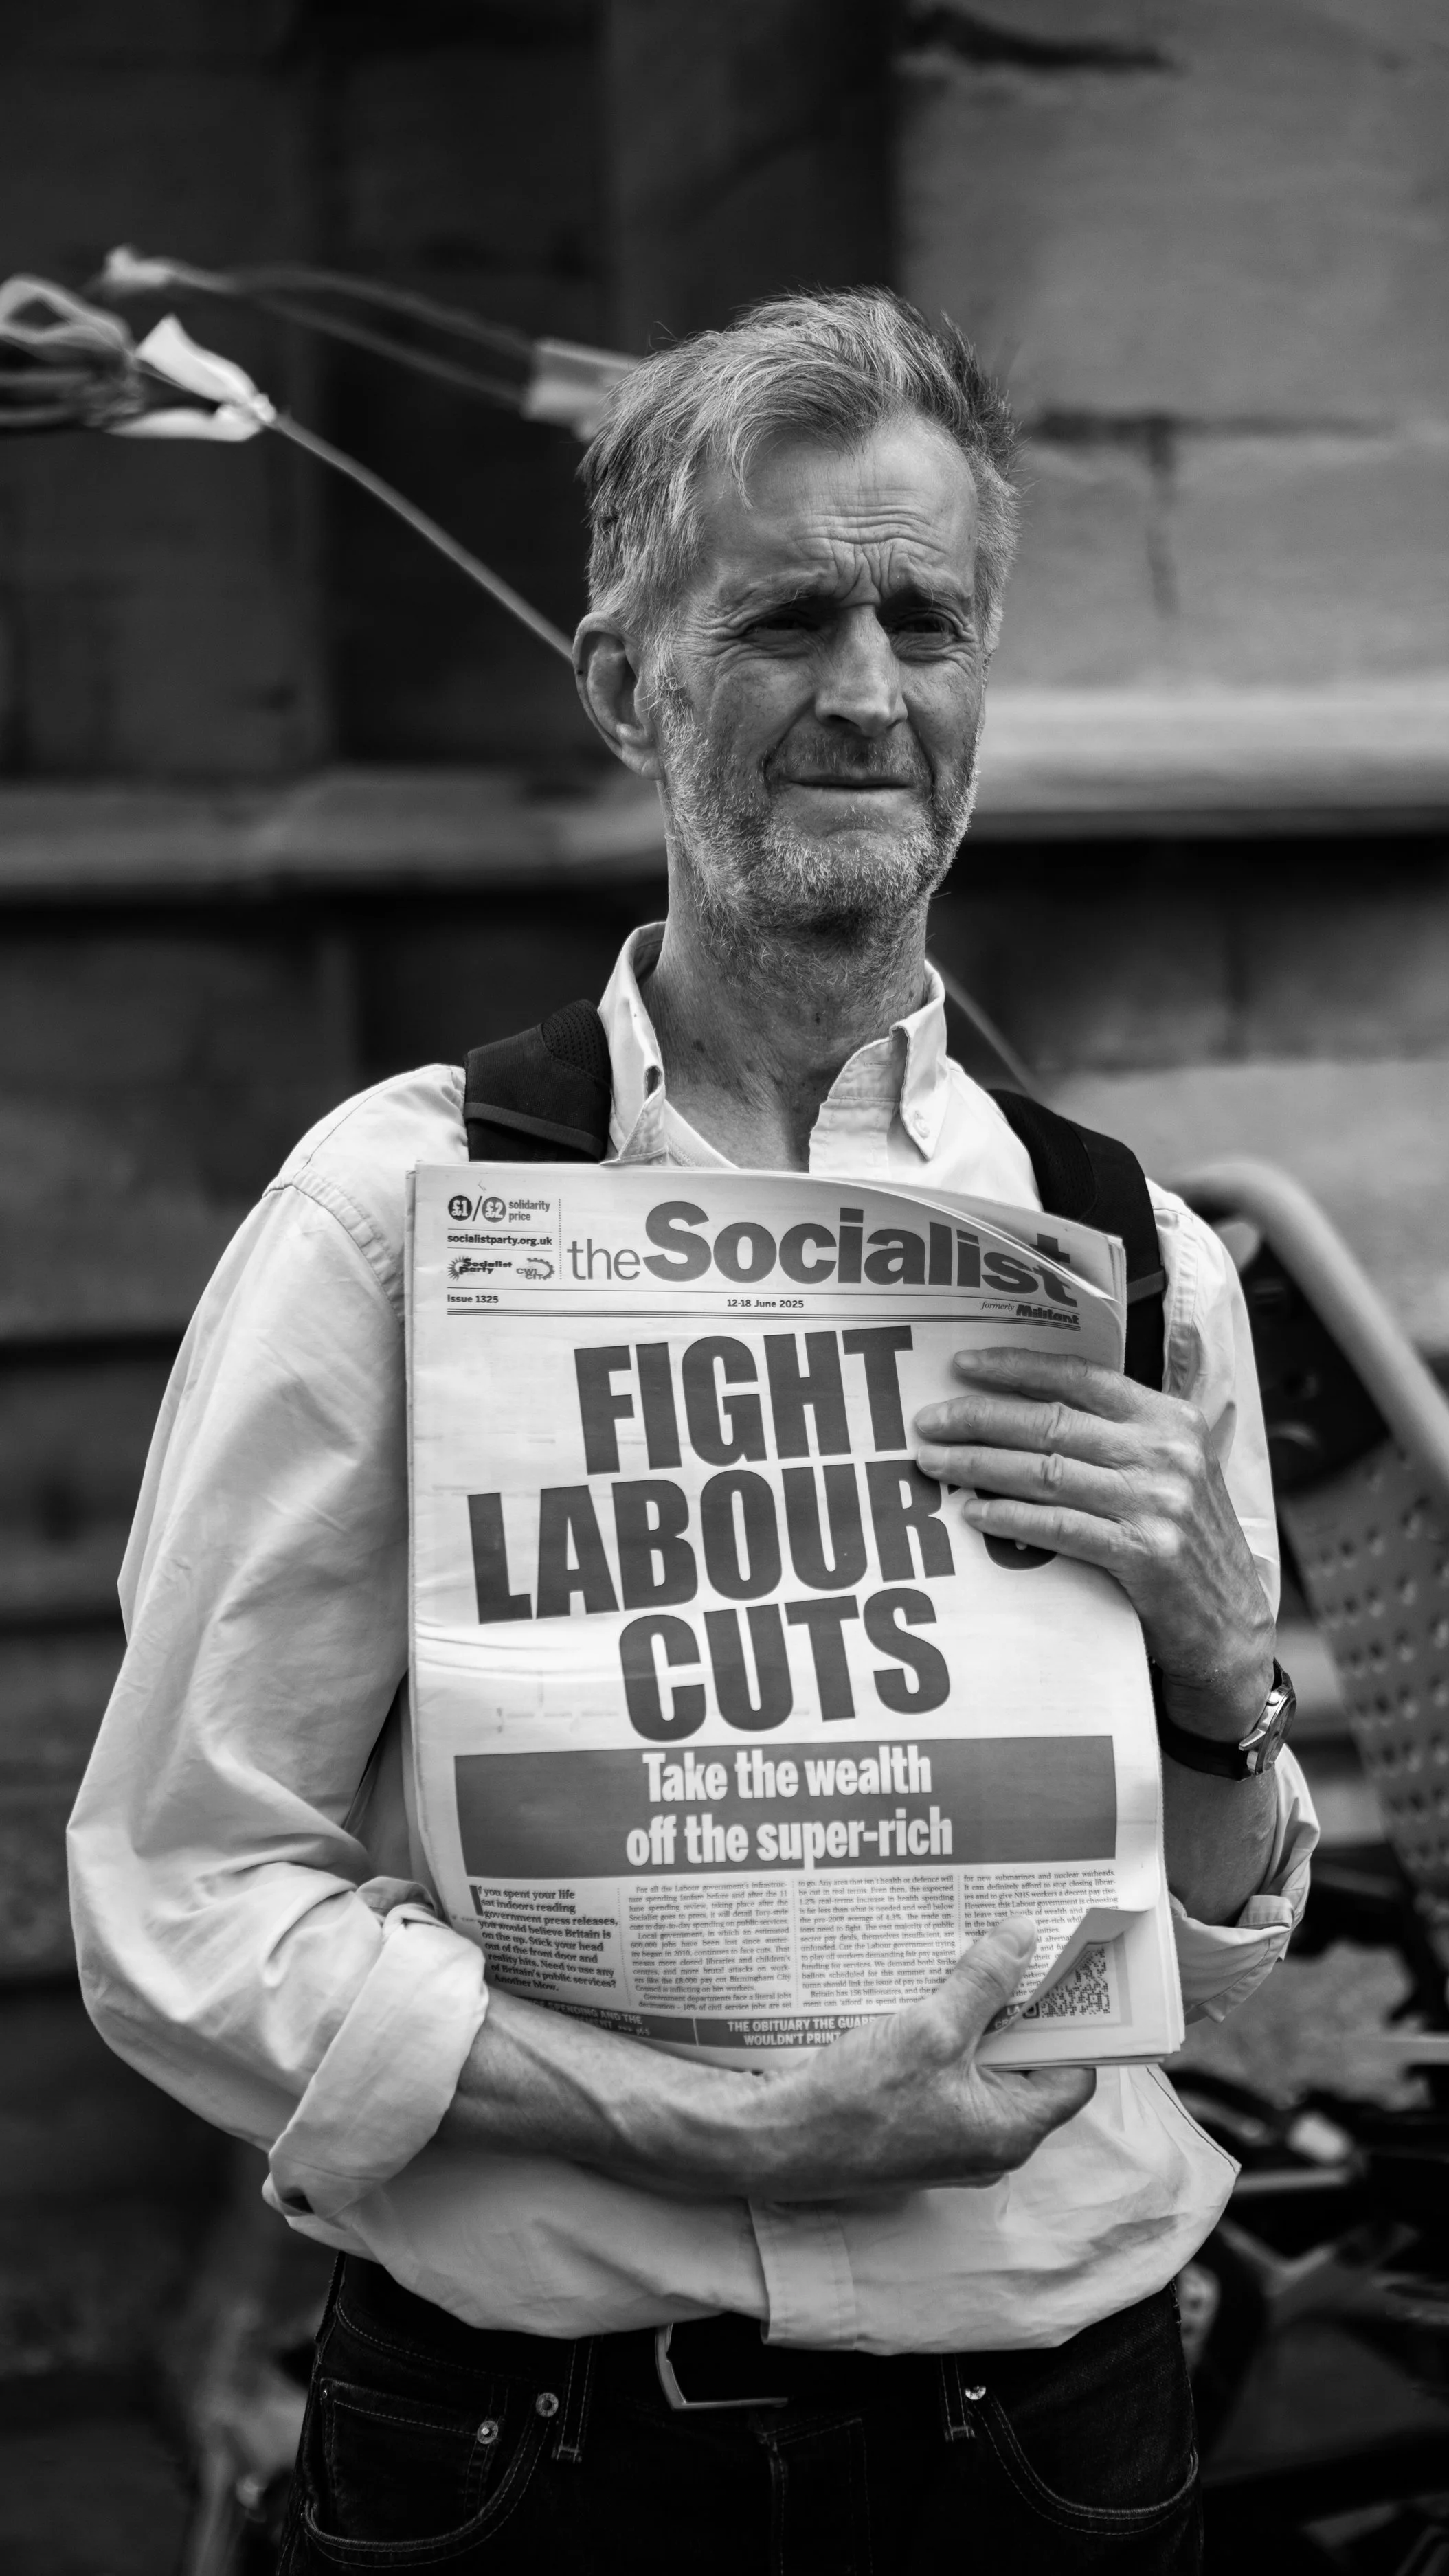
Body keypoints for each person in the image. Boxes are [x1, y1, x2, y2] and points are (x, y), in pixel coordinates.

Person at [69, 290, 1316, 2574]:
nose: (863, 690)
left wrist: (1227, 1686)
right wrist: (698, 2123)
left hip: (1054, 2451)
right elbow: (180, 1889)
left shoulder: (1125, 1250)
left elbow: (1207, 1946)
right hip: (537, 2459)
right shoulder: (397, 1215)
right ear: (619, 678)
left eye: (923, 619)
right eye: (780, 616)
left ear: (979, 689)